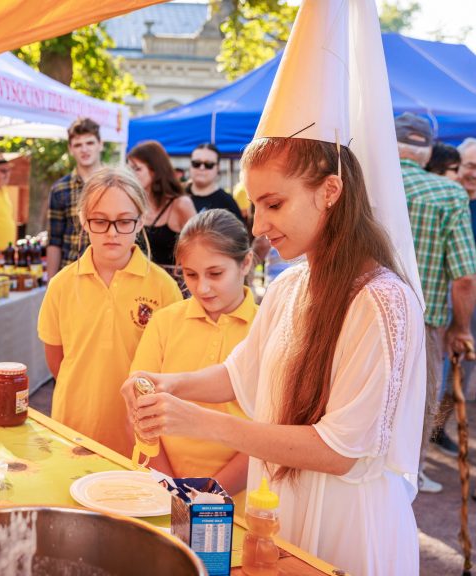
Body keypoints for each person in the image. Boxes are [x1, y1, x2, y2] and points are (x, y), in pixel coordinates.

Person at [122, 137, 425, 575]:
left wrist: (195, 420)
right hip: (280, 514)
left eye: (274, 204)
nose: (259, 225)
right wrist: (168, 384)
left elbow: (340, 450)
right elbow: (238, 374)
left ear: (330, 191)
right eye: (256, 207)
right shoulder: (288, 286)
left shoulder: (381, 302)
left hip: (348, 528)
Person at [38, 167, 182, 457]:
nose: (112, 233)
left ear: (141, 221)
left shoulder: (164, 288)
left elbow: (172, 368)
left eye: (124, 221)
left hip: (139, 442)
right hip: (72, 432)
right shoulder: (61, 285)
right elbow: (58, 361)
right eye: (100, 221)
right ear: (83, 221)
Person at [130, 209, 253, 504]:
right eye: (191, 275)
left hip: (239, 498)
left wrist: (207, 495)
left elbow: (270, 432)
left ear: (245, 263)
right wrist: (173, 487)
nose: (202, 287)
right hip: (162, 489)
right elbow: (138, 409)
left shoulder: (267, 329)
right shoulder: (165, 322)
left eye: (216, 273)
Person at [395, 113, 476, 493]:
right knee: (421, 405)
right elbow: (464, 278)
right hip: (423, 320)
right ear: (427, 151)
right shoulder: (448, 193)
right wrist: (460, 328)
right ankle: (409, 478)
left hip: (355, 312)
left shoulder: (365, 182)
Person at [46, 118, 104, 281]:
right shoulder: (60, 189)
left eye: (90, 143)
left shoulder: (117, 184)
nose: (84, 149)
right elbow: (54, 240)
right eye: (78, 145)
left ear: (101, 144)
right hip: (71, 273)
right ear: (70, 149)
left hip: (109, 273)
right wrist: (51, 284)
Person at [127, 140, 197, 276]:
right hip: (138, 284)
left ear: (154, 171)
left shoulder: (180, 204)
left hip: (174, 287)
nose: (131, 174)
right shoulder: (132, 203)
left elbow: (200, 248)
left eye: (137, 168)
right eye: (130, 169)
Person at [186, 143, 244, 224]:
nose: (201, 168)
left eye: (208, 164)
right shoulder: (177, 195)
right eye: (196, 163)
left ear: (218, 167)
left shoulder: (226, 202)